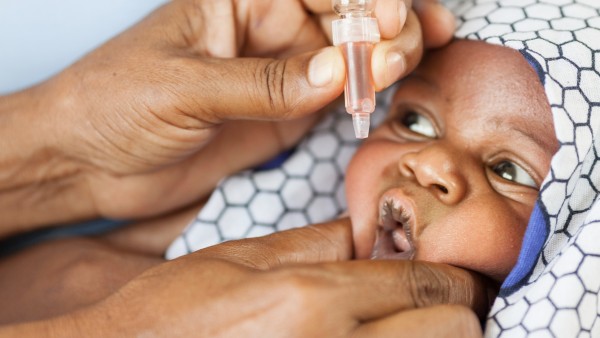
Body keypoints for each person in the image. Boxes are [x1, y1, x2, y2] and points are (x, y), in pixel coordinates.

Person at [0, 37, 557, 332]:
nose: (428, 164)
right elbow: (67, 275)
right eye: (413, 121)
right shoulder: (243, 232)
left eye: (508, 171)